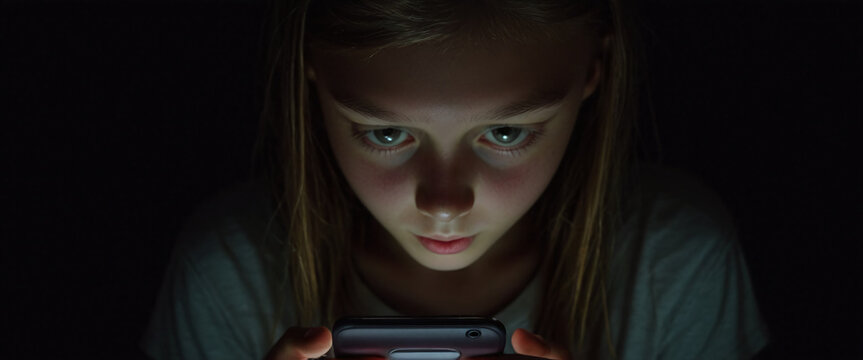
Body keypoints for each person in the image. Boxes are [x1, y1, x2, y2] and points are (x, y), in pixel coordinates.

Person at [141, 0, 769, 359]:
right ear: (312, 73)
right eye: (386, 135)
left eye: (506, 134)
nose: (443, 204)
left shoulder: (676, 266)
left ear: (592, 74)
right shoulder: (228, 275)